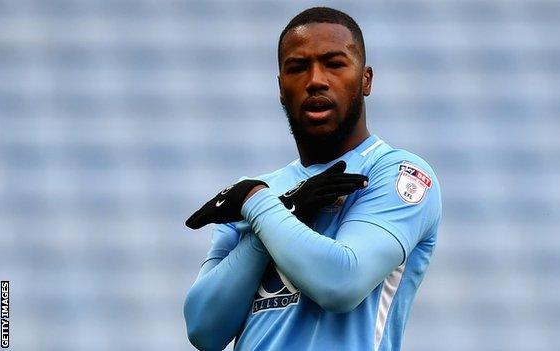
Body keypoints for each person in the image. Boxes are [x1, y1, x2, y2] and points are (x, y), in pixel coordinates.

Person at [183, 7, 442, 351]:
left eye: (334, 63)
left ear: (366, 80)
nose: (316, 79)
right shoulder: (260, 192)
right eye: (297, 67)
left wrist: (260, 208)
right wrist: (279, 214)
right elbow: (204, 328)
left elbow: (341, 282)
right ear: (280, 88)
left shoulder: (397, 173)